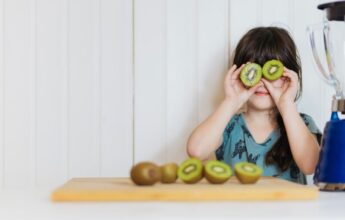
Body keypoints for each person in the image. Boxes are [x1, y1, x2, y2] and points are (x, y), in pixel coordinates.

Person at [186, 27, 322, 184]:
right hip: (238, 208)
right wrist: (231, 101)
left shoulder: (302, 123)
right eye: (255, 70)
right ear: (240, 74)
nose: (262, 82)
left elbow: (310, 165)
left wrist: (286, 104)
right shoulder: (227, 126)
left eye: (271, 72)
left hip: (288, 208)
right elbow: (196, 151)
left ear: (288, 78)